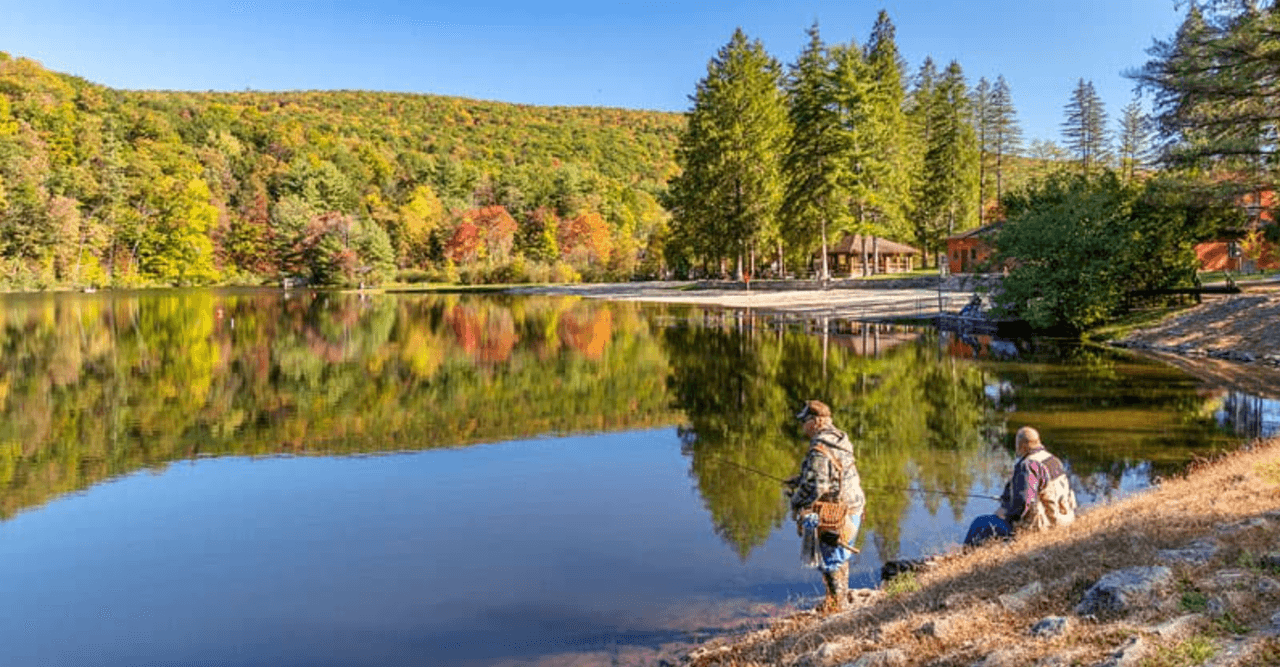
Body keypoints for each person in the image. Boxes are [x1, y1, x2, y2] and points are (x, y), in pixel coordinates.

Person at [785, 400, 866, 613]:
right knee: (841, 555)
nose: (803, 427)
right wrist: (801, 478)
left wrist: (795, 502)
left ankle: (835, 608)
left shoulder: (820, 449)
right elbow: (830, 473)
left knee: (830, 559)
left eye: (805, 422)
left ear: (816, 422)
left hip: (835, 513)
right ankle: (840, 600)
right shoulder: (840, 439)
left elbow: (816, 488)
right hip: (854, 507)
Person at [964, 426, 1078, 548]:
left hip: (1043, 526)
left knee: (980, 523)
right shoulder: (1052, 459)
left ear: (1023, 445)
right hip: (1065, 520)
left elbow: (1023, 503)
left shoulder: (1028, 466)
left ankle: (965, 557)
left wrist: (1005, 513)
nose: (1016, 448)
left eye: (1017, 444)